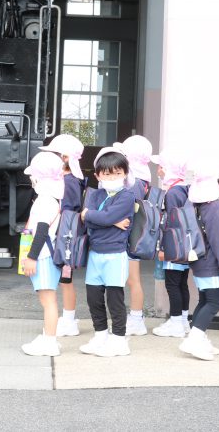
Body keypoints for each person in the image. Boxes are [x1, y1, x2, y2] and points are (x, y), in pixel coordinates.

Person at [79, 147, 137, 357]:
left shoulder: (127, 196)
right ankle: (100, 335)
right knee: (93, 298)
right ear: (98, 175)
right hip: (95, 253)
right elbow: (89, 222)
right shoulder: (95, 194)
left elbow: (97, 217)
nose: (112, 177)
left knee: (115, 299)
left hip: (115, 254)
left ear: (125, 173)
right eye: (107, 174)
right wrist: (111, 221)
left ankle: (119, 340)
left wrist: (94, 216)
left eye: (117, 173)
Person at [179, 163, 219, 361]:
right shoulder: (214, 206)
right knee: (214, 302)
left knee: (205, 300)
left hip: (198, 261)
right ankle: (194, 340)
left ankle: (198, 337)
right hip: (211, 263)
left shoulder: (194, 203)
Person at [38, 134, 86, 337]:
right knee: (63, 280)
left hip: (65, 238)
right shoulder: (67, 179)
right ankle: (67, 319)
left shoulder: (70, 181)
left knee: (65, 280)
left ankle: (69, 320)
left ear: (65, 158)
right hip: (63, 236)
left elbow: (69, 211)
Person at [19, 152, 66, 356]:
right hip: (46, 255)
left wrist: (31, 258)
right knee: (48, 300)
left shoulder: (45, 200)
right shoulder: (52, 198)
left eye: (34, 176)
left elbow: (41, 232)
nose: (32, 179)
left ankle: (50, 342)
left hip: (43, 257)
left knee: (48, 301)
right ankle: (48, 337)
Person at [151, 149, 192, 337]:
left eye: (161, 166)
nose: (158, 170)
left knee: (173, 284)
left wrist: (163, 248)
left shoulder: (173, 193)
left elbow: (171, 224)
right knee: (181, 284)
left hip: (174, 246)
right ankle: (182, 321)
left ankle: (176, 323)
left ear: (169, 169)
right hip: (185, 245)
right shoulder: (184, 189)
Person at [118, 134, 154, 337]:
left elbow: (127, 208)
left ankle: (136, 318)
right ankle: (135, 318)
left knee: (133, 280)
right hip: (133, 234)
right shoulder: (142, 178)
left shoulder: (135, 181)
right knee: (132, 279)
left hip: (130, 235)